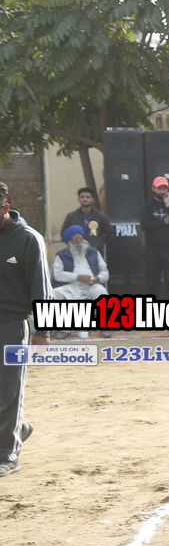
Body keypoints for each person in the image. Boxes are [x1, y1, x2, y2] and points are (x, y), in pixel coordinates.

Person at [0, 180, 50, 478]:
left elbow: (41, 287)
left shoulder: (28, 238)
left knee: (8, 391)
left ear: (5, 207)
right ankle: (16, 429)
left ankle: (7, 454)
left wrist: (43, 331)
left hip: (12, 324)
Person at [51, 225, 108, 338]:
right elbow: (57, 274)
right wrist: (77, 277)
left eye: (81, 238)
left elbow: (105, 272)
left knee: (102, 293)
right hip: (72, 287)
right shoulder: (61, 255)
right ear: (69, 241)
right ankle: (63, 329)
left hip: (91, 286)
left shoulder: (93, 252)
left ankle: (103, 328)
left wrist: (98, 278)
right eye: (75, 239)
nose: (79, 241)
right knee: (56, 293)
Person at [140, 176, 169, 299]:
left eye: (164, 188)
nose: (162, 191)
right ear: (153, 188)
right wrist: (164, 222)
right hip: (152, 251)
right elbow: (145, 225)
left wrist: (167, 204)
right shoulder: (147, 206)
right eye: (159, 188)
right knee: (152, 284)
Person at [61, 187, 112, 258]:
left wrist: (99, 243)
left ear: (92, 199)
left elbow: (110, 233)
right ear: (78, 199)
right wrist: (75, 243)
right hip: (76, 254)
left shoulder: (101, 216)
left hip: (95, 253)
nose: (85, 199)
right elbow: (64, 234)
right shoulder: (71, 216)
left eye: (88, 197)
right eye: (82, 197)